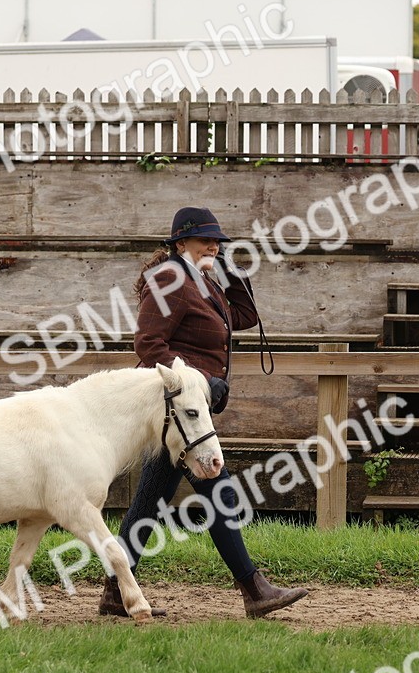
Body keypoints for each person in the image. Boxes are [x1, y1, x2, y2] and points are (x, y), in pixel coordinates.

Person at [99, 206, 309, 619]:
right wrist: (195, 381)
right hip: (178, 411)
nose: (213, 245)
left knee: (149, 501)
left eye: (218, 241)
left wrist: (228, 268)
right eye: (205, 240)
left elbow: (243, 316)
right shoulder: (169, 280)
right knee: (218, 487)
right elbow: (149, 346)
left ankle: (115, 592)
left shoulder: (201, 281)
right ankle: (254, 589)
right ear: (180, 244)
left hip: (185, 413)